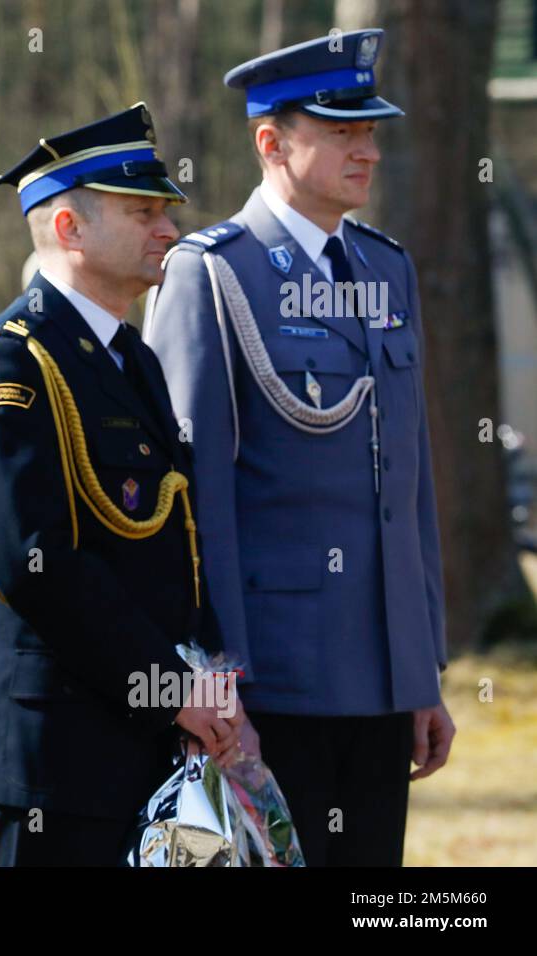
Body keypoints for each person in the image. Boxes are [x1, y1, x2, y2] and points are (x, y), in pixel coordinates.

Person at [144, 29, 454, 866]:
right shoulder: (212, 274)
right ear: (271, 143)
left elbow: (410, 485)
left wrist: (422, 671)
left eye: (370, 130)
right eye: (342, 130)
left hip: (381, 675)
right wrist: (215, 674)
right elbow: (195, 498)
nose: (367, 149)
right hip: (273, 677)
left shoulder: (388, 270)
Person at [0, 104, 236, 867]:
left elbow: (174, 539)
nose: (168, 232)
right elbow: (32, 561)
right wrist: (168, 684)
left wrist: (202, 674)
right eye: (142, 212)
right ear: (70, 229)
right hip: (62, 753)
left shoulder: (132, 360)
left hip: (150, 732)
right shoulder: (16, 358)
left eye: (164, 213)